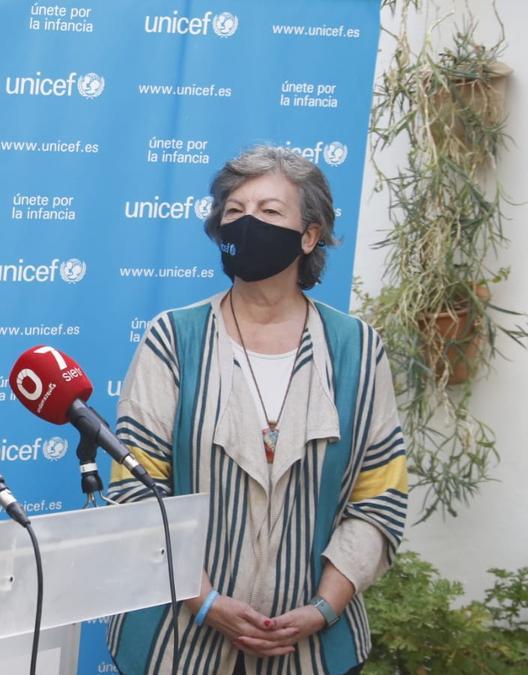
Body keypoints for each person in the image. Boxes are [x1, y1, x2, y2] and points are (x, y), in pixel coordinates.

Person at [105, 146, 408, 675]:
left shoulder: (357, 349)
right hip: (176, 647)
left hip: (314, 652)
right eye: (234, 211)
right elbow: (136, 492)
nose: (248, 224)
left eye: (269, 212)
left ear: (309, 236)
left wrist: (324, 607)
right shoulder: (172, 340)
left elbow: (379, 495)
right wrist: (203, 601)